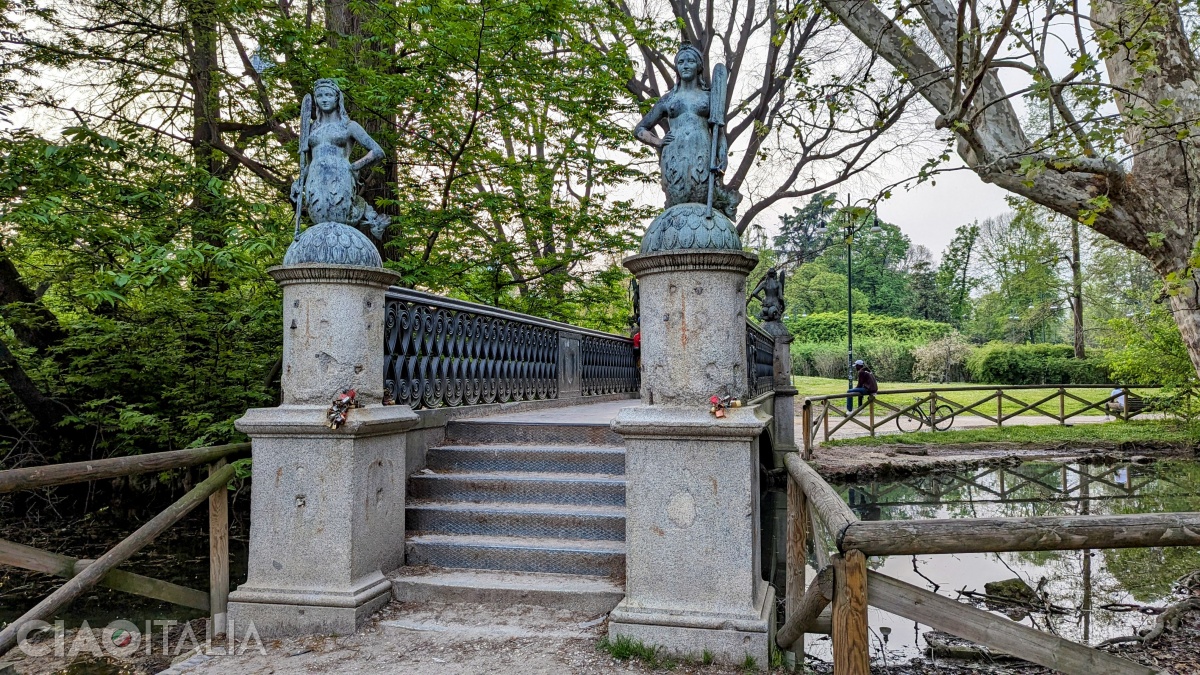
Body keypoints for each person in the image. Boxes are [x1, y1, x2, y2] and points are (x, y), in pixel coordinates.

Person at [632, 44, 741, 218]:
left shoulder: (709, 97)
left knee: (701, 198)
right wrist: (658, 142)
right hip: (675, 155)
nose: (685, 65)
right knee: (677, 202)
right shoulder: (669, 99)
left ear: (699, 66)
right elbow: (640, 129)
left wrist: (723, 154)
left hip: (703, 154)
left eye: (690, 61)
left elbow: (718, 130)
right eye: (681, 62)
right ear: (677, 67)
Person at [291, 79, 390, 238]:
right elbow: (309, 162)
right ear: (315, 99)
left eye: (329, 95)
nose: (324, 99)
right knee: (319, 220)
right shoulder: (311, 129)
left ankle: (366, 214)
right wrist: (298, 182)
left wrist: (353, 167)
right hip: (315, 179)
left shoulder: (349, 126)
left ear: (337, 99)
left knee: (338, 217)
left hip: (340, 176)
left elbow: (377, 151)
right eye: (320, 95)